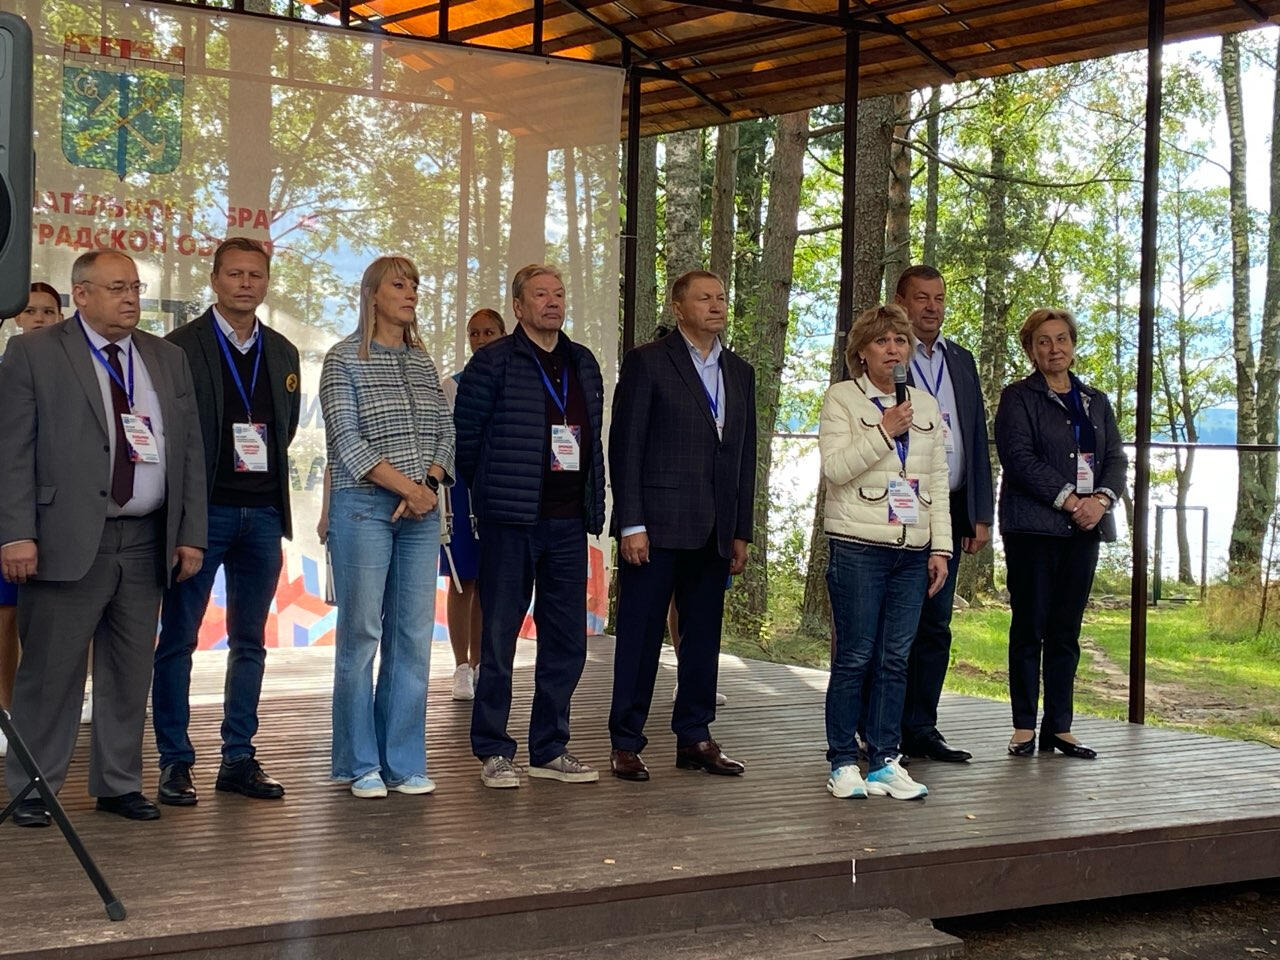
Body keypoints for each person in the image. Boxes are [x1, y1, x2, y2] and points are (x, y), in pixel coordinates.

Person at [0, 251, 206, 826]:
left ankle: (118, 784)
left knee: (129, 670)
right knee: (51, 672)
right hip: (63, 537)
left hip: (146, 538)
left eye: (135, 287)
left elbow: (189, 451)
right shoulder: (34, 352)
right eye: (117, 288)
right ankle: (33, 788)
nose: (131, 298)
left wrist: (190, 533)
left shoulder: (166, 357)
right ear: (82, 294)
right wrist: (15, 534)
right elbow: (10, 452)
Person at [151, 238, 301, 806]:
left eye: (255, 275)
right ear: (214, 280)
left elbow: (284, 430)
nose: (245, 283)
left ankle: (238, 757)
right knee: (178, 639)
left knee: (250, 641)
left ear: (266, 282)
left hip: (262, 514)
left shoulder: (282, 352)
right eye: (234, 274)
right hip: (203, 514)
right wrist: (183, 519)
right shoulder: (178, 347)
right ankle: (174, 761)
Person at [455, 264, 605, 789]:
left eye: (558, 294)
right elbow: (466, 442)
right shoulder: (493, 361)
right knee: (498, 639)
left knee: (566, 641)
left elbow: (593, 439)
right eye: (540, 294)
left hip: (568, 522)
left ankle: (549, 747)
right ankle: (493, 750)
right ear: (518, 306)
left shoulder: (583, 361)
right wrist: (492, 496)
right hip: (511, 521)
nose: (552, 302)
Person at [607, 270, 756, 782]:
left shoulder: (739, 371)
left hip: (715, 530)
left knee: (703, 639)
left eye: (721, 297)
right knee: (640, 636)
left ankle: (695, 736)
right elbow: (626, 448)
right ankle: (626, 741)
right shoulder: (648, 361)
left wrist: (740, 530)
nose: (716, 305)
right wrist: (631, 523)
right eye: (704, 298)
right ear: (678, 307)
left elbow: (744, 457)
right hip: (656, 526)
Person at [320, 256, 454, 799]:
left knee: (413, 637)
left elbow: (446, 430)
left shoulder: (422, 361)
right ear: (372, 294)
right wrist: (407, 488)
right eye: (399, 284)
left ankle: (402, 761)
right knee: (361, 636)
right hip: (363, 508)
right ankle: (359, 763)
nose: (411, 293)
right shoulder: (342, 359)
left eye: (415, 285)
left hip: (420, 513)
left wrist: (429, 483)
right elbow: (346, 441)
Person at [819, 304, 951, 802]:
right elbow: (835, 469)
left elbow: (937, 480)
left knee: (896, 659)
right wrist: (883, 431)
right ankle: (841, 761)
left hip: (912, 550)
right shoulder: (842, 399)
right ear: (861, 352)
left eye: (900, 341)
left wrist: (941, 547)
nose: (893, 350)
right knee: (855, 656)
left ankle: (884, 760)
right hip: (858, 546)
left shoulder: (926, 404)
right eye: (882, 342)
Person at [995, 308, 1126, 760]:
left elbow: (1116, 458)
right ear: (1031, 350)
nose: (1054, 349)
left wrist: (1100, 501)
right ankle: (1022, 727)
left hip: (1084, 531)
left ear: (1073, 344)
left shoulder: (1095, 400)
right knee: (1029, 627)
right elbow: (1019, 459)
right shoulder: (1018, 398)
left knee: (1066, 631)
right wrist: (1071, 500)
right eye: (1044, 341)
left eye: (1062, 339)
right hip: (1033, 530)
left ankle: (1060, 727)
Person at [895, 265, 994, 763]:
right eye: (921, 298)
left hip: (950, 509)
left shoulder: (961, 359)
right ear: (901, 302)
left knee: (935, 624)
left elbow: (974, 437)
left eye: (939, 298)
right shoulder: (889, 353)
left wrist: (979, 512)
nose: (932, 307)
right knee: (894, 625)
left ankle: (921, 728)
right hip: (899, 505)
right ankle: (879, 727)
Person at [0, 283, 65, 760]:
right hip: (14, 511)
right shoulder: (8, 369)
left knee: (63, 616)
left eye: (48, 311)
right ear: (14, 318)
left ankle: (65, 700)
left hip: (65, 514)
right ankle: (6, 713)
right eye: (30, 311)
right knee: (6, 615)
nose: (39, 318)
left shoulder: (79, 370)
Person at [442, 308, 506, 702]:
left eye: (488, 332)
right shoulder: (452, 385)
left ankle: (482, 663)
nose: (481, 340)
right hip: (462, 491)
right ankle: (461, 667)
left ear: (503, 334)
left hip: (500, 489)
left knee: (489, 581)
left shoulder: (515, 380)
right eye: (474, 333)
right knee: (461, 579)